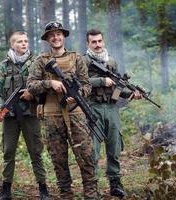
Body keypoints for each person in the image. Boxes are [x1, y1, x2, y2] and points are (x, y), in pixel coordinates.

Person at [26, 22, 98, 200]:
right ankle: (66, 194)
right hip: (52, 114)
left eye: (58, 34)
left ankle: (91, 193)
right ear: (47, 39)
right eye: (52, 35)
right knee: (58, 157)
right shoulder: (41, 60)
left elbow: (87, 84)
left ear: (63, 36)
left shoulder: (76, 58)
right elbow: (30, 85)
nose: (56, 37)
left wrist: (78, 94)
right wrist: (50, 83)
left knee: (86, 153)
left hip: (76, 113)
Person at [0, 31, 50, 200]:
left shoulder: (37, 63)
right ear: (12, 45)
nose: (24, 44)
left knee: (36, 151)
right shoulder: (4, 66)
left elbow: (45, 86)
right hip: (10, 116)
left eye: (26, 41)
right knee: (8, 151)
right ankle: (6, 189)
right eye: (19, 42)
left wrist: (33, 93)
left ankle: (43, 188)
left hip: (30, 114)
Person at [83, 29, 142, 198]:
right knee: (92, 150)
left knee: (114, 148)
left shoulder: (111, 61)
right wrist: (101, 80)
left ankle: (115, 183)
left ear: (104, 41)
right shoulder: (83, 61)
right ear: (88, 44)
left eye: (100, 41)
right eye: (93, 42)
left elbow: (115, 86)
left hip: (111, 108)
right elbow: (79, 81)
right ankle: (91, 186)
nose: (97, 44)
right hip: (92, 108)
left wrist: (130, 94)